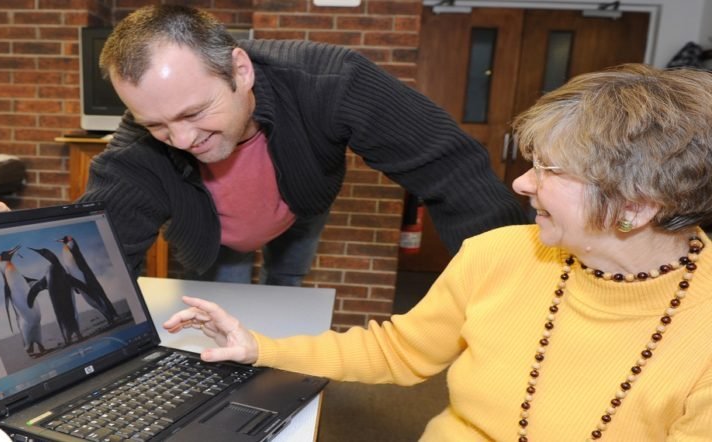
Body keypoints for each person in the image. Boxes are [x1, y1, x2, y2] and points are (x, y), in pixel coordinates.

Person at [162, 63, 712, 441]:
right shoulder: (499, 255)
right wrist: (257, 347)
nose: (521, 185)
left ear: (636, 207)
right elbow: (399, 352)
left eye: (550, 171)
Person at [0, 4, 528, 285]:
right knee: (219, 300)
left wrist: (517, 285)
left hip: (297, 202)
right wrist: (17, 252)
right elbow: (103, 244)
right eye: (156, 125)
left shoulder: (334, 81)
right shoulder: (142, 141)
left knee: (286, 290)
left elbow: (451, 170)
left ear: (241, 70)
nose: (182, 140)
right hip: (214, 231)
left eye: (195, 113)